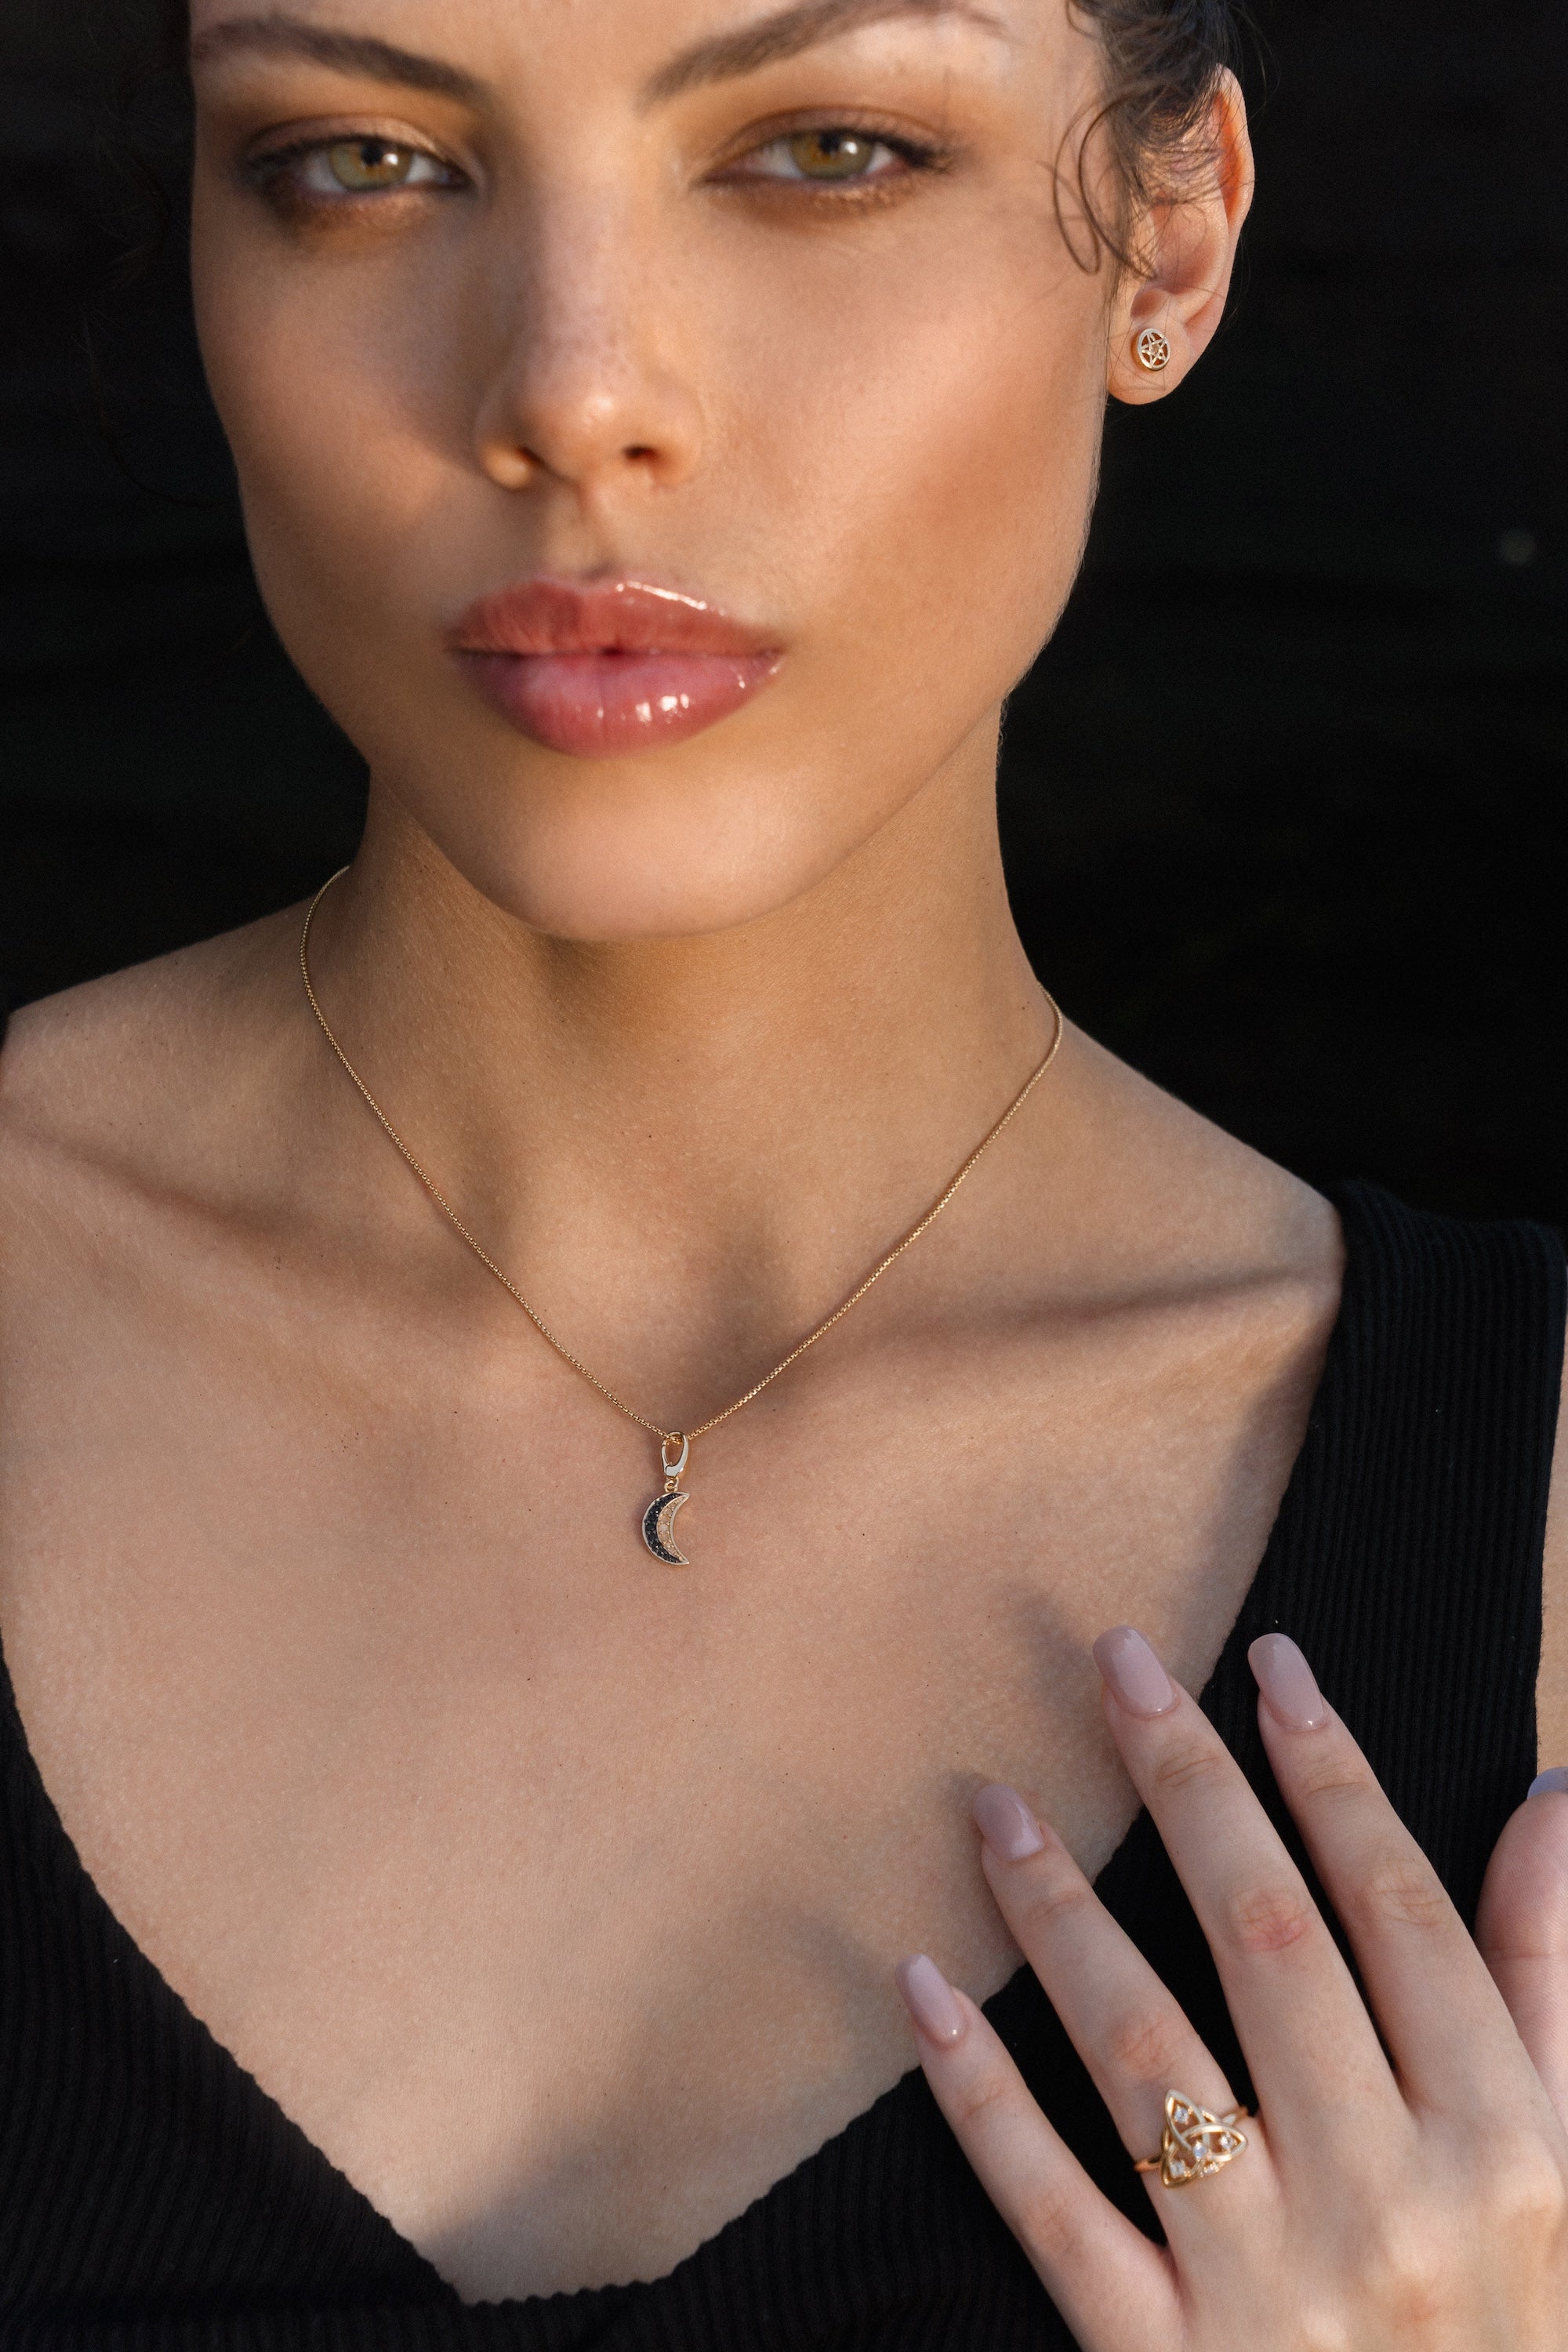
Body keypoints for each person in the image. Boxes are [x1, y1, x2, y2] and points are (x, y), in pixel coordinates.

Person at [0, 0, 1563, 2343]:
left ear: (1170, 234)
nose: (572, 391)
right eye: (360, 160)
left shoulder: (1541, 1556)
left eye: (823, 147)